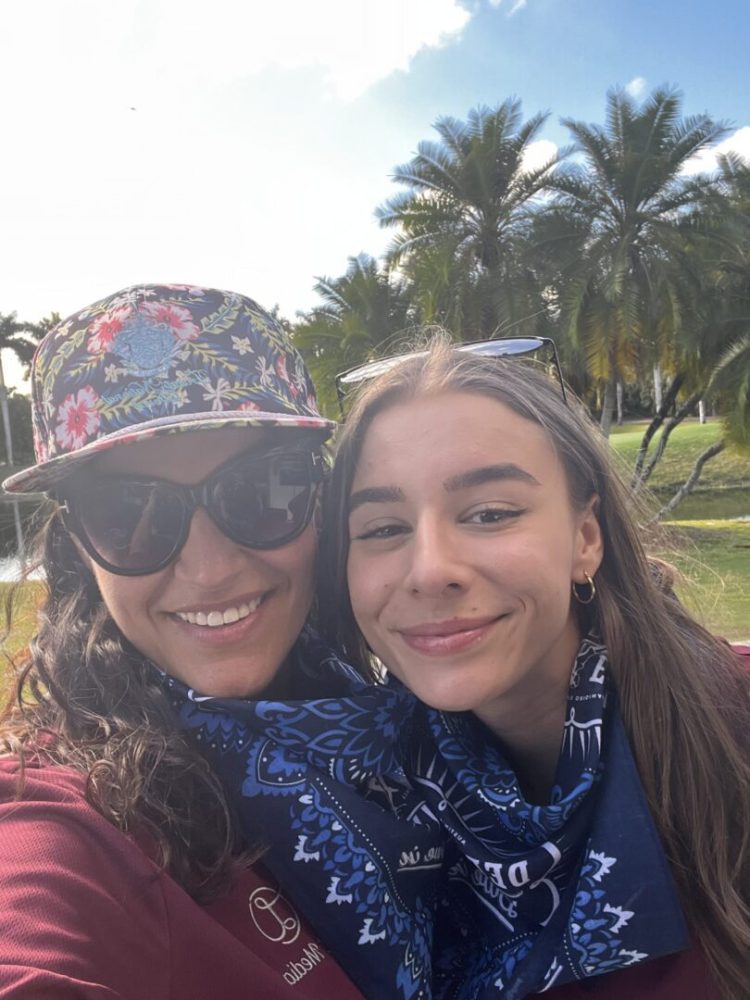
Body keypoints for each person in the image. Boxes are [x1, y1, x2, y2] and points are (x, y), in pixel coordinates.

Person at [0, 285, 443, 1000]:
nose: (210, 570)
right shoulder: (68, 822)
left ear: (318, 503)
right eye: (130, 514)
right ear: (80, 548)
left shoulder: (406, 720)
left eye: (260, 490)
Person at [319, 335, 750, 999]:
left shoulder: (730, 721)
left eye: (490, 513)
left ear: (585, 538)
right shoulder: (363, 799)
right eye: (381, 528)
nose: (430, 570)